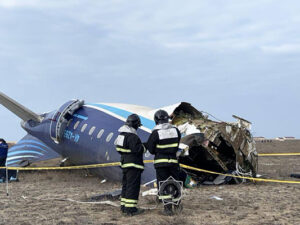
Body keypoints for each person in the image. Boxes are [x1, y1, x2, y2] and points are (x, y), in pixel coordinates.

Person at [145, 110, 181, 215]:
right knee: (175, 183)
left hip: (161, 163)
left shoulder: (156, 133)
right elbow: (176, 145)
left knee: (164, 185)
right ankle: (177, 206)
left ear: (156, 120)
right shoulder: (176, 130)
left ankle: (168, 209)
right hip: (173, 162)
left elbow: (150, 149)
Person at [115, 114, 145, 216]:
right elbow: (138, 150)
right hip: (133, 165)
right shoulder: (133, 136)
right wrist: (144, 146)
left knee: (126, 186)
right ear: (135, 125)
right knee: (133, 187)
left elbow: (118, 149)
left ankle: (124, 207)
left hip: (124, 164)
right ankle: (131, 209)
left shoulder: (121, 135)